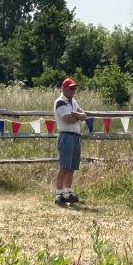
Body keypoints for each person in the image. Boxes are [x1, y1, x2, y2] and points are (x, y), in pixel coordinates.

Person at [53, 77, 87, 205]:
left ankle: (68, 192)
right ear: (63, 88)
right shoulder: (60, 102)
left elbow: (83, 115)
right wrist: (77, 116)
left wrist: (75, 114)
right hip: (66, 136)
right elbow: (68, 119)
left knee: (72, 167)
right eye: (71, 88)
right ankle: (58, 194)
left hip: (75, 136)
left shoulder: (73, 102)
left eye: (75, 88)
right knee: (64, 167)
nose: (73, 90)